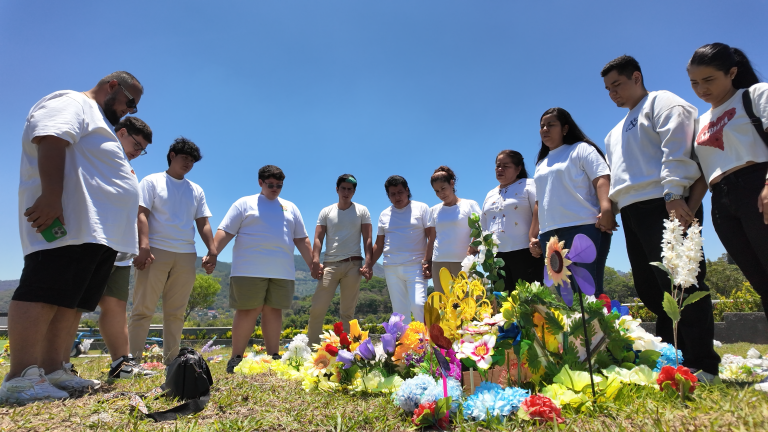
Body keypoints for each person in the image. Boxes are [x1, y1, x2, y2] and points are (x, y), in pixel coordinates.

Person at [3, 71, 144, 404]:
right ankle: (21, 377)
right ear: (113, 86)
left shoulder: (98, 119)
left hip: (98, 232)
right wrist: (52, 196)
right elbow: (51, 138)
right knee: (43, 291)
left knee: (71, 301)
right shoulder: (72, 102)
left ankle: (54, 369)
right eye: (130, 102)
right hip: (71, 221)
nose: (129, 111)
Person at [602, 55, 720, 381]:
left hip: (665, 203)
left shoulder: (662, 102)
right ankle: (673, 357)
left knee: (683, 282)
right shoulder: (613, 133)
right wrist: (613, 208)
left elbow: (676, 147)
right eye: (608, 89)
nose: (613, 93)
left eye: (617, 84)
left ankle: (703, 363)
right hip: (631, 210)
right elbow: (619, 175)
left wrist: (674, 194)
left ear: (636, 77)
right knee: (650, 288)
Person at [59, 117, 158, 380]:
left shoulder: (127, 167)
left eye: (142, 149)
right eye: (137, 145)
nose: (138, 151)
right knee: (74, 305)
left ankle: (121, 364)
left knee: (115, 306)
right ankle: (60, 365)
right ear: (121, 132)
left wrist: (140, 244)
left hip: (120, 250)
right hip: (92, 241)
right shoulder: (98, 152)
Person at [686, 43, 768, 321]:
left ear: (732, 72)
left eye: (709, 79)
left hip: (757, 187)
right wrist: (690, 211)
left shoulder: (754, 95)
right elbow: (703, 171)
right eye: (694, 82)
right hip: (720, 202)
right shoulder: (700, 121)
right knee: (761, 283)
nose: (701, 89)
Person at [215, 165, 314, 373]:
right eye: (270, 185)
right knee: (248, 310)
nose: (275, 189)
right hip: (248, 269)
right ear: (260, 182)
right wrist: (213, 253)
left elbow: (301, 239)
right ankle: (236, 358)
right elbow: (226, 231)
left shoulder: (290, 207)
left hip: (282, 270)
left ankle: (273, 356)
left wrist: (313, 263)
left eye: (279, 185)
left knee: (274, 310)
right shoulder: (244, 203)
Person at [127, 137, 217, 365]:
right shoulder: (152, 181)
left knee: (176, 312)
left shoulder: (196, 190)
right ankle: (132, 362)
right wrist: (143, 246)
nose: (188, 163)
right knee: (143, 309)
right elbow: (141, 214)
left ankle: (172, 363)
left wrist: (212, 250)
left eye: (192, 161)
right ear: (172, 156)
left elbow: (203, 222)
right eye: (184, 158)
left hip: (186, 254)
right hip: (155, 250)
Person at [533, 108, 615, 296]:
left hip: (583, 227)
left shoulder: (581, 149)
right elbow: (539, 201)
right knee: (565, 294)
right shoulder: (541, 163)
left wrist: (606, 209)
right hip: (550, 235)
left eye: (551, 125)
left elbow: (601, 178)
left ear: (565, 128)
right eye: (542, 126)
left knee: (589, 292)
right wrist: (534, 234)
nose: (545, 129)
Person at [306, 174, 373, 346]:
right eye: (343, 188)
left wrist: (368, 263)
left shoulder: (362, 211)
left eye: (350, 189)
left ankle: (346, 351)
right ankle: (311, 349)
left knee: (347, 313)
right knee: (317, 309)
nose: (346, 192)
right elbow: (318, 238)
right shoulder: (326, 211)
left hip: (353, 265)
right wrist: (315, 260)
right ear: (337, 189)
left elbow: (367, 238)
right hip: (330, 265)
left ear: (354, 191)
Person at [371, 175, 435, 324]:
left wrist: (428, 261)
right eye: (392, 194)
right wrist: (368, 265)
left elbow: (431, 237)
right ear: (388, 196)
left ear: (407, 190)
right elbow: (379, 244)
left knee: (419, 305)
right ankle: (405, 339)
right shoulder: (384, 214)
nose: (397, 197)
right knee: (400, 312)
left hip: (416, 266)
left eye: (400, 192)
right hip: (391, 267)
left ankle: (426, 338)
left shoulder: (422, 208)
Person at [480, 151, 543, 291]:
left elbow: (540, 213)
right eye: (498, 166)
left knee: (529, 300)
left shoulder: (529, 185)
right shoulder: (490, 194)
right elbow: (484, 224)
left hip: (526, 252)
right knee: (503, 300)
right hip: (496, 257)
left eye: (506, 166)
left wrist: (538, 240)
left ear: (518, 168)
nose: (500, 169)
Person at [429, 166, 481, 292]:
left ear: (451, 184)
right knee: (443, 301)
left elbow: (480, 228)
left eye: (443, 188)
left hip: (463, 261)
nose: (441, 194)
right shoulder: (434, 210)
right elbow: (432, 238)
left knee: (467, 299)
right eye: (436, 191)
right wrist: (426, 261)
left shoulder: (469, 205)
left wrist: (472, 248)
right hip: (439, 261)